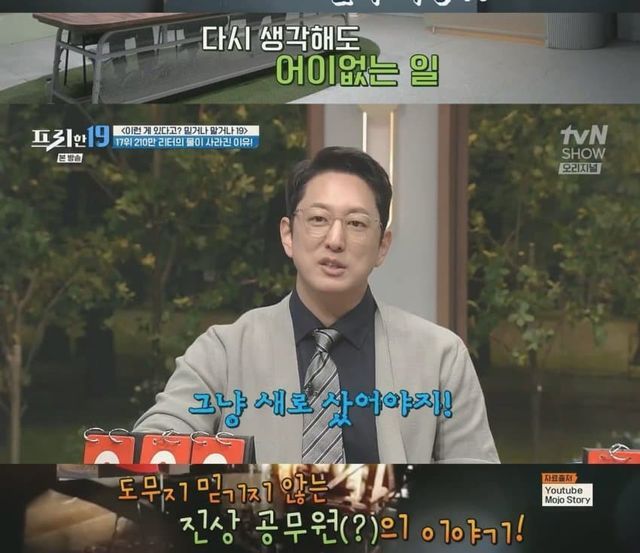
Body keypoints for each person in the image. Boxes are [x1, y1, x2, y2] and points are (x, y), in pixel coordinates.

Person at [134, 146, 499, 464]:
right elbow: (157, 440)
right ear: (288, 235)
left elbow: (477, 486)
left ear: (382, 246)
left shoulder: (440, 357)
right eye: (319, 219)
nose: (335, 240)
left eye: (356, 223)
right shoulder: (224, 352)